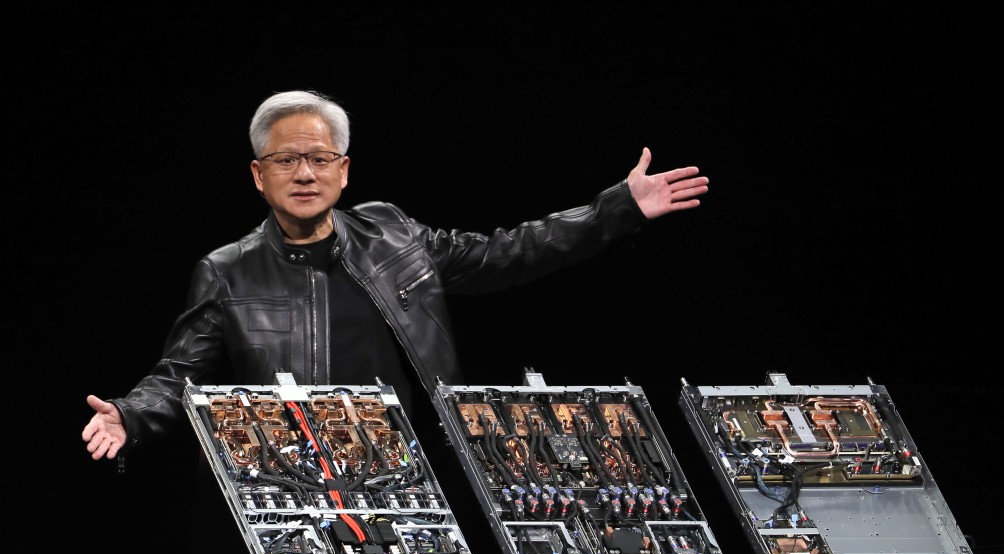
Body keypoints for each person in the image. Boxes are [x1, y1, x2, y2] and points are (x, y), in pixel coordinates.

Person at [83, 89, 708, 462]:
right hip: (315, 478)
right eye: (286, 159)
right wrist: (129, 415)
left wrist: (616, 209)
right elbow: (180, 374)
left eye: (320, 157)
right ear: (258, 174)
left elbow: (508, 253)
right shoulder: (227, 271)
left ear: (344, 169)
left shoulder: (394, 232)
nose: (305, 173)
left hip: (429, 466)